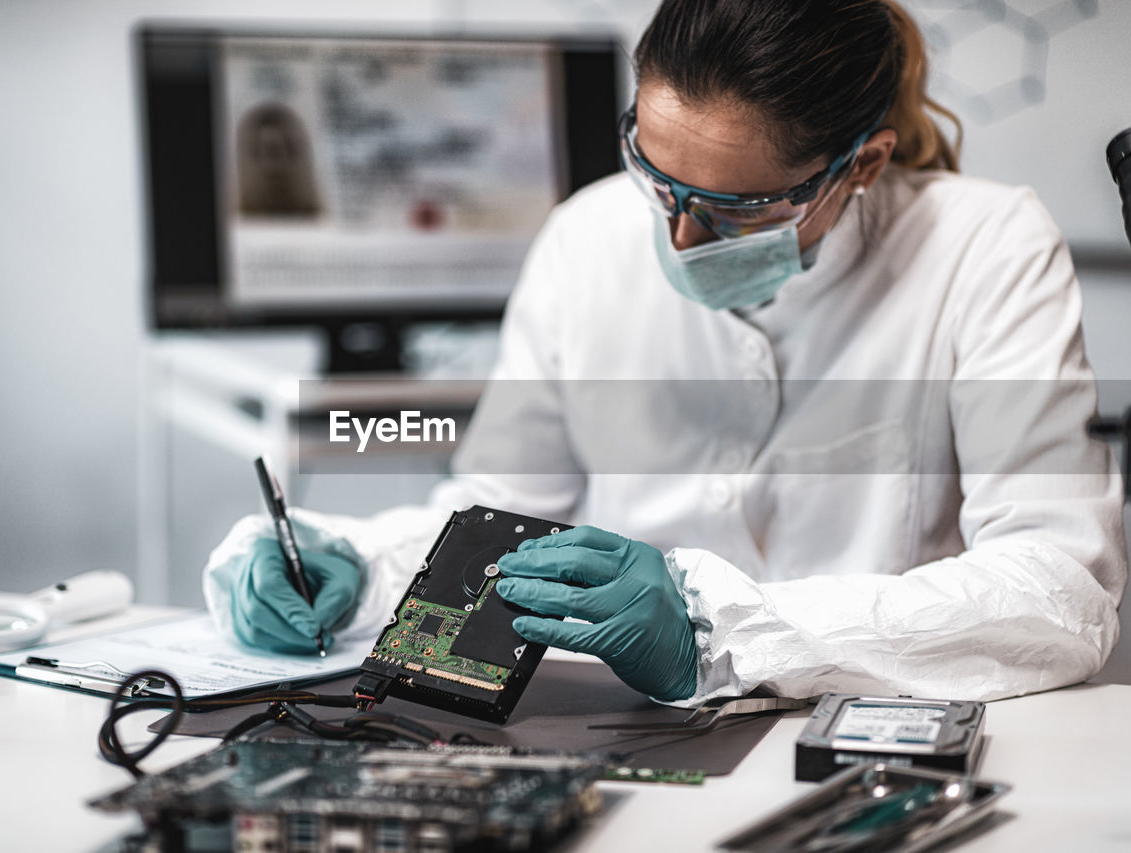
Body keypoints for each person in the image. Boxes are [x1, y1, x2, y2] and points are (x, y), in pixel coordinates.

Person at [204, 0, 1126, 705]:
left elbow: (1058, 590)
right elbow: (500, 518)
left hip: (868, 734)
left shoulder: (985, 245)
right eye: (656, 175)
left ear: (863, 165)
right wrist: (362, 573)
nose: (680, 238)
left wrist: (718, 627)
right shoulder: (585, 238)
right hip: (615, 728)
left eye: (735, 207)